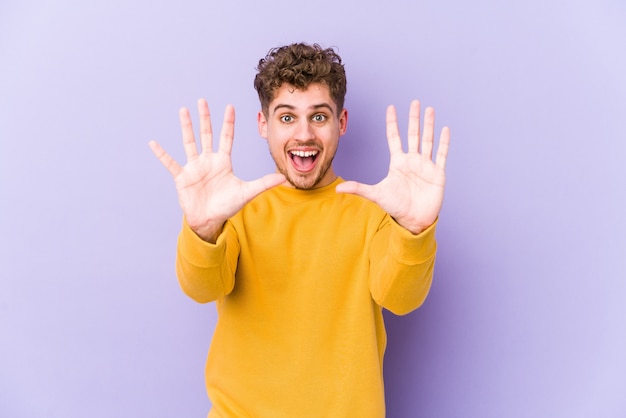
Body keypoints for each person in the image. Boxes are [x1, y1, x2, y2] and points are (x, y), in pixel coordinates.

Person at [149, 42, 450, 418]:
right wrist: (202, 229)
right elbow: (201, 287)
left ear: (341, 123)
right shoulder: (236, 211)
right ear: (264, 125)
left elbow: (402, 299)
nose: (304, 134)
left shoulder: (372, 215)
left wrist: (416, 229)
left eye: (319, 117)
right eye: (287, 117)